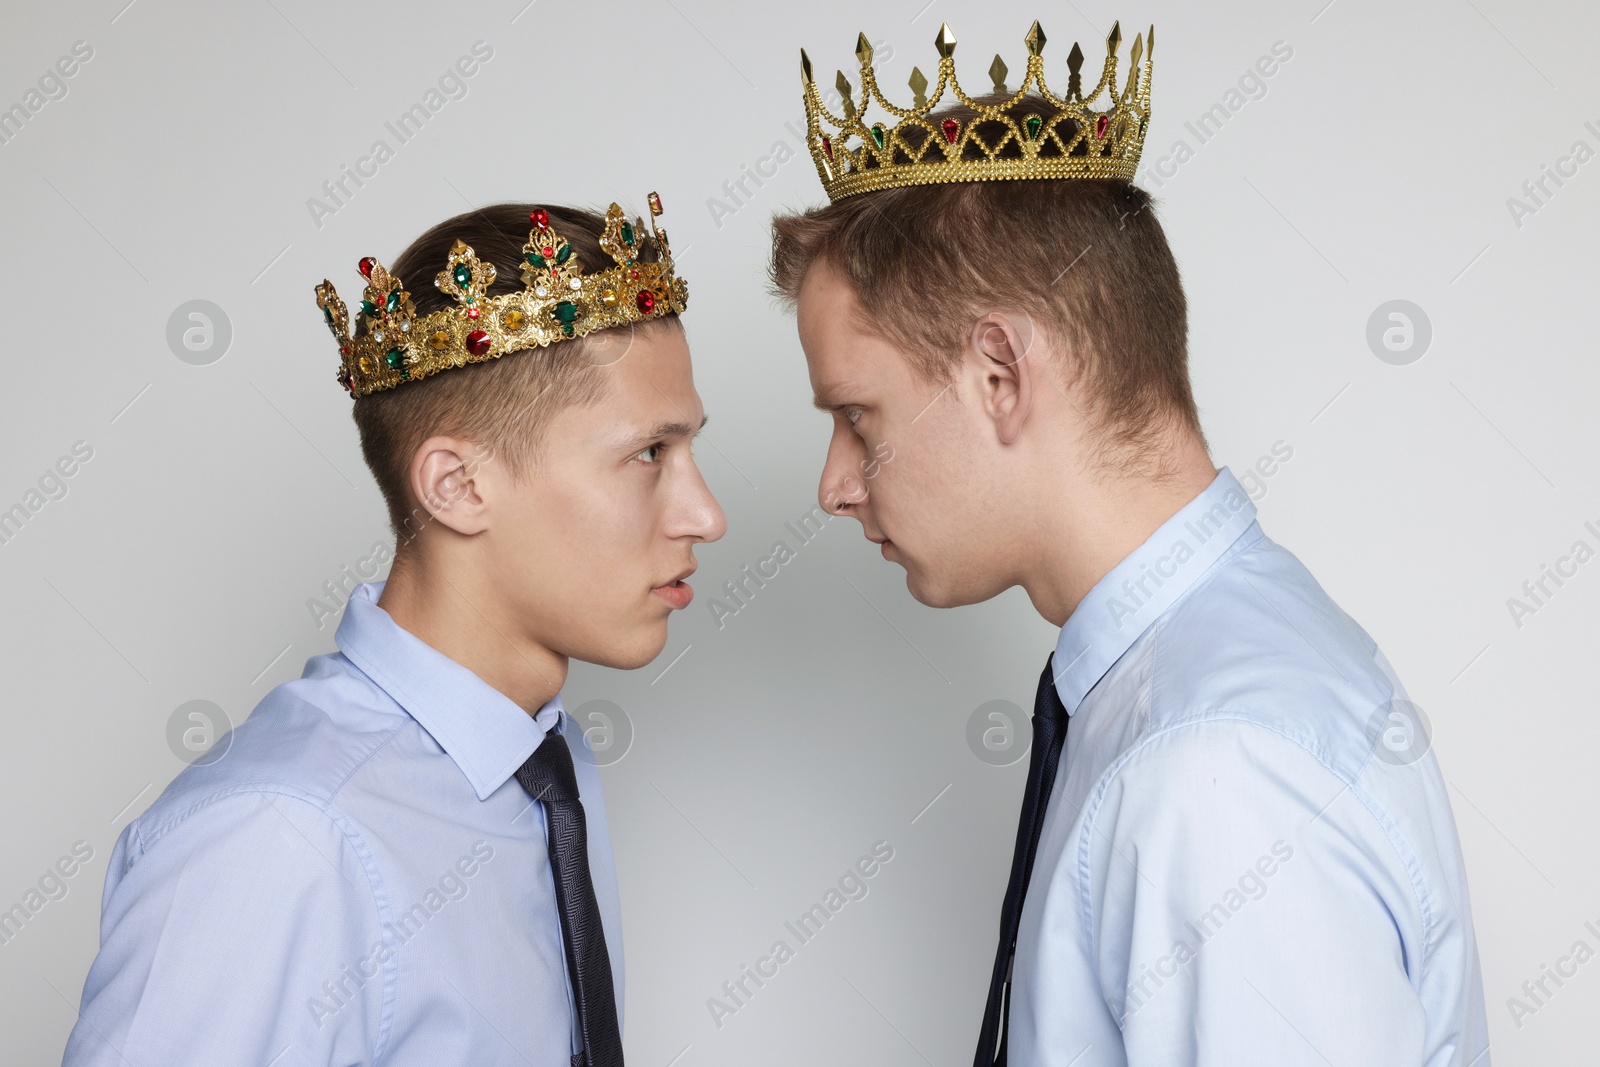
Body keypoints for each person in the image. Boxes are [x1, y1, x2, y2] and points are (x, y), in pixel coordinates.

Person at [770, 21, 1488, 1067]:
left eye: (859, 416)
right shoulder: (1207, 677)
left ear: (999, 376)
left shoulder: (1211, 768)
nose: (834, 483)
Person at [62, 194, 725, 1066]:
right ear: (455, 486)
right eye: (649, 454)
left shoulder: (548, 770)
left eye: (690, 452)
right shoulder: (278, 841)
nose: (705, 514)